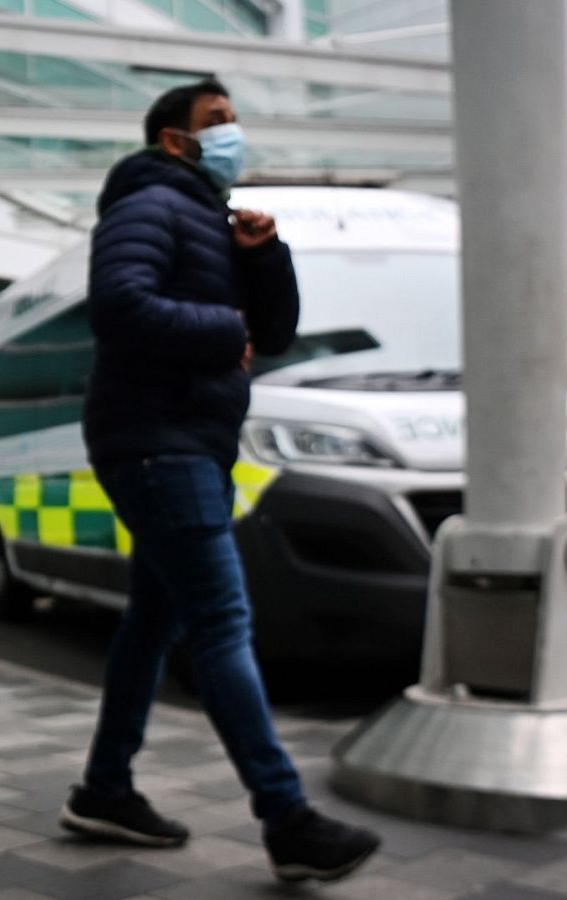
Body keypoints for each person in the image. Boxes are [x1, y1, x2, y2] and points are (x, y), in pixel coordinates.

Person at [59, 80, 382, 884]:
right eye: (217, 123)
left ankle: (104, 790)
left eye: (236, 120)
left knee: (153, 622)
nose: (234, 133)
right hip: (155, 440)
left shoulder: (212, 222)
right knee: (223, 619)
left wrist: (263, 256)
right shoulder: (146, 205)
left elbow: (272, 334)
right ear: (175, 140)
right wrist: (220, 328)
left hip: (187, 441)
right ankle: (287, 817)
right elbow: (119, 305)